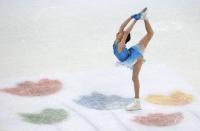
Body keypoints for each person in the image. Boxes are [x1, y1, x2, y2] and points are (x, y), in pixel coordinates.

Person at [112, 7, 154, 111]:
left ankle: (137, 103)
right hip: (130, 58)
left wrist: (136, 20)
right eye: (119, 32)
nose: (119, 32)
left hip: (134, 56)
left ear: (122, 38)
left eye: (120, 33)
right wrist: (131, 17)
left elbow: (126, 32)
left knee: (150, 34)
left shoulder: (120, 46)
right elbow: (123, 27)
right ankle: (145, 18)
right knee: (150, 34)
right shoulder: (118, 41)